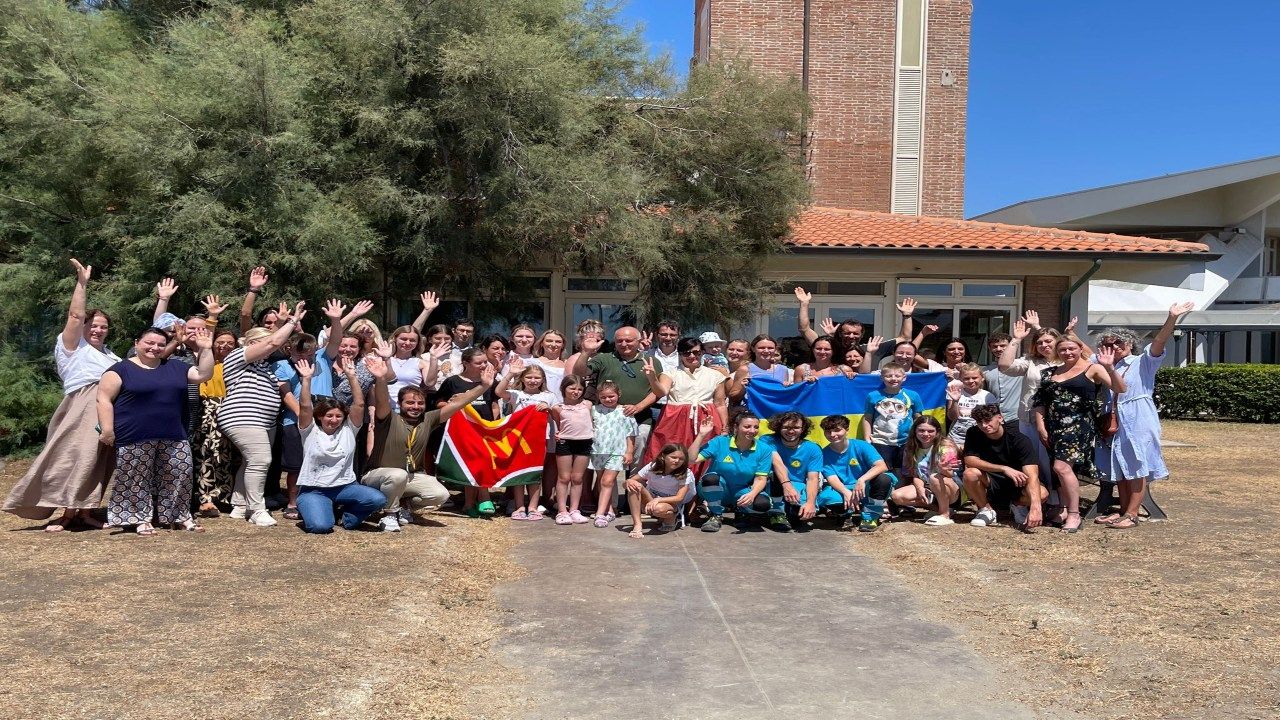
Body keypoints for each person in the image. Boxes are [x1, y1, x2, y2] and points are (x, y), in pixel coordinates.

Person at [4, 260, 120, 530]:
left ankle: (85, 511)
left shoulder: (111, 355)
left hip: (108, 406)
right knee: (75, 456)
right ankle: (67, 512)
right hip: (83, 405)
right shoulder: (73, 346)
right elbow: (75, 316)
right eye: (93, 325)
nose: (98, 330)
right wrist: (82, 284)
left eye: (103, 326)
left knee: (98, 460)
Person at [98, 325, 214, 535]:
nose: (155, 348)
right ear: (136, 344)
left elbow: (203, 374)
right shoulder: (120, 369)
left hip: (173, 432)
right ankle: (138, 519)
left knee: (180, 473)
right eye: (149, 343)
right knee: (135, 477)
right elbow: (103, 399)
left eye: (161, 344)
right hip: (133, 433)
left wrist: (206, 349)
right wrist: (107, 430)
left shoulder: (176, 367)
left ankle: (178, 515)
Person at [364, 354, 496, 530]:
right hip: (377, 476)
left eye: (420, 403)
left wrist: (483, 386)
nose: (415, 407)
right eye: (410, 403)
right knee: (397, 475)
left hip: (410, 476)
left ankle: (405, 507)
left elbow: (457, 405)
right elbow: (382, 400)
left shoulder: (428, 419)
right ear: (400, 404)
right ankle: (389, 514)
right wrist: (381, 378)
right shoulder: (387, 418)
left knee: (440, 494)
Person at [1093, 302, 1193, 529]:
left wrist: (1172, 318)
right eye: (1108, 344)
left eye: (1119, 342)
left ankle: (1132, 514)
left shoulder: (1143, 362)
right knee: (1119, 464)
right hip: (1114, 418)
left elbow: (1159, 341)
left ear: (1130, 344)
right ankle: (1122, 510)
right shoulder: (1104, 364)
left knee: (1137, 463)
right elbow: (1077, 353)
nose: (1114, 347)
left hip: (1138, 417)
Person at [219, 302, 307, 528]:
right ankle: (256, 509)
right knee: (260, 460)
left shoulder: (267, 367)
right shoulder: (238, 356)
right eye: (263, 342)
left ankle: (240, 504)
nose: (270, 348)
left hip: (265, 422)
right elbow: (274, 341)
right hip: (243, 417)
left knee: (250, 461)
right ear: (251, 344)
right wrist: (292, 321)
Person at [274, 299, 360, 521]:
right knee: (296, 465)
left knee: (327, 460)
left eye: (309, 354)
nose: (304, 358)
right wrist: (306, 416)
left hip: (327, 421)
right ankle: (293, 502)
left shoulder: (322, 358)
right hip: (295, 420)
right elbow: (286, 394)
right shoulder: (281, 365)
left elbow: (336, 340)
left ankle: (326, 500)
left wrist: (336, 320)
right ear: (289, 350)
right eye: (299, 355)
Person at [1031, 336, 1126, 533]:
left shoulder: (1093, 368)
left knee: (1062, 467)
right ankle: (1064, 509)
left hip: (1078, 427)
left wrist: (1110, 367)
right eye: (1063, 349)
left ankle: (1074, 514)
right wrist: (1041, 427)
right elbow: (1040, 402)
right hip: (1053, 427)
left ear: (1080, 348)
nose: (1067, 353)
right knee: (1060, 470)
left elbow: (1120, 388)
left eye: (1071, 348)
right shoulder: (1050, 372)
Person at [293, 357, 388, 533]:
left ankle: (346, 518)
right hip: (314, 489)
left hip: (345, 487)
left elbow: (359, 404)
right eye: (329, 416)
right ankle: (312, 506)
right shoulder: (310, 431)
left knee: (378, 499)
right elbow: (305, 406)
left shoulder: (349, 430)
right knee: (321, 526)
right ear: (320, 416)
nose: (334, 420)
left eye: (338, 416)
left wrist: (352, 377)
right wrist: (306, 379)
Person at [572, 326, 659, 461]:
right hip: (607, 420)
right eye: (619, 341)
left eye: (628, 340)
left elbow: (658, 391)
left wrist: (638, 407)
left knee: (636, 460)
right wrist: (586, 352)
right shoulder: (604, 359)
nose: (624, 344)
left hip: (640, 419)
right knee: (608, 462)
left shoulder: (651, 361)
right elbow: (579, 373)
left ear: (638, 341)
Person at [997, 315, 1064, 487]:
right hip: (1028, 419)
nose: (1044, 345)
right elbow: (1004, 366)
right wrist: (1016, 339)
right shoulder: (1031, 361)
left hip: (1057, 420)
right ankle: (1037, 494)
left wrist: (1038, 327)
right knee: (1032, 461)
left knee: (1053, 463)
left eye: (1048, 341)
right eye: (1039, 342)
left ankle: (1056, 498)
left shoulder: (1067, 361)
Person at [434, 347, 501, 516]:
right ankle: (475, 501)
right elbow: (439, 403)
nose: (484, 365)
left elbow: (494, 404)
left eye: (485, 362)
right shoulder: (452, 382)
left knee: (482, 461)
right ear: (466, 363)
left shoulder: (490, 380)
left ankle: (478, 499)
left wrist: (494, 423)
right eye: (479, 363)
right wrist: (451, 405)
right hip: (462, 430)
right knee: (469, 463)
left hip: (484, 428)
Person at [691, 409, 781, 533]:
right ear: (736, 427)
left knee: (763, 505)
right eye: (747, 427)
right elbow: (692, 460)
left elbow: (761, 478)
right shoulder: (720, 442)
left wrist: (752, 494)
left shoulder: (764, 449)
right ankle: (715, 514)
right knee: (711, 478)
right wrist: (701, 435)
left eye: (756, 427)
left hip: (741, 490)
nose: (752, 431)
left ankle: (741, 511)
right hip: (716, 488)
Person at [643, 338, 728, 465]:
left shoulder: (715, 375)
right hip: (676, 419)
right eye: (687, 353)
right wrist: (652, 378)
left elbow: (720, 404)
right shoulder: (670, 373)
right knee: (671, 454)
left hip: (706, 418)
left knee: (705, 456)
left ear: (702, 352)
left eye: (696, 352)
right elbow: (661, 392)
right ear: (680, 354)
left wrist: (725, 427)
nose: (692, 356)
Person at [962, 405, 1046, 531]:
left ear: (1000, 418)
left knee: (1043, 493)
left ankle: (1017, 505)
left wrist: (1036, 507)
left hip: (1017, 482)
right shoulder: (973, 433)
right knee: (970, 473)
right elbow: (969, 460)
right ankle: (986, 510)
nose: (984, 425)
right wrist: (1004, 468)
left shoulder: (1019, 439)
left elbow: (1032, 475)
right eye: (980, 422)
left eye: (988, 420)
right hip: (990, 479)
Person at [495, 360, 556, 521]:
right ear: (522, 378)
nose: (533, 380)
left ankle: (533, 507)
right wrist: (510, 373)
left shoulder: (549, 396)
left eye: (537, 378)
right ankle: (520, 506)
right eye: (529, 377)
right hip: (519, 440)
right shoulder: (517, 395)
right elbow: (499, 391)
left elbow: (558, 414)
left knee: (535, 473)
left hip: (539, 441)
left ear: (543, 380)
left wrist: (549, 408)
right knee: (519, 473)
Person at [818, 414, 895, 532]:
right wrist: (846, 492)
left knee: (884, 479)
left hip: (865, 487)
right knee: (827, 498)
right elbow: (832, 478)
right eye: (828, 431)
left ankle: (870, 516)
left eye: (837, 430)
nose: (833, 435)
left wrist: (862, 479)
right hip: (843, 488)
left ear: (847, 430)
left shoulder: (862, 445)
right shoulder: (824, 454)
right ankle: (844, 514)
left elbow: (881, 466)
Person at [193, 328, 239, 516]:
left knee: (226, 456)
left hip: (232, 410)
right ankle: (206, 498)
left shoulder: (238, 364)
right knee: (206, 454)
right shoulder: (205, 361)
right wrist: (212, 318)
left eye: (230, 343)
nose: (225, 346)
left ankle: (224, 496)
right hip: (208, 409)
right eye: (220, 342)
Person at [891, 416, 961, 526]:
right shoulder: (911, 448)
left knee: (934, 477)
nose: (925, 434)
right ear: (915, 431)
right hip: (928, 487)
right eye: (921, 430)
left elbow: (950, 474)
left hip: (951, 488)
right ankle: (936, 508)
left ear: (937, 432)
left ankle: (945, 514)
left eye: (930, 431)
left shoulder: (946, 446)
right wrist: (920, 490)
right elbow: (916, 475)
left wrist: (942, 469)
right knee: (897, 496)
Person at [759, 411, 823, 532]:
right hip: (775, 483)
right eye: (786, 427)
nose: (791, 431)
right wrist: (787, 485)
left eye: (796, 427)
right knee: (774, 475)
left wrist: (810, 503)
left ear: (803, 429)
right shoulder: (767, 440)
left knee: (797, 517)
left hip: (798, 486)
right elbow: (777, 463)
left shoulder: (813, 448)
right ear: (779, 427)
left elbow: (813, 478)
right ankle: (776, 512)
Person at [624, 437, 697, 539]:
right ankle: (637, 525)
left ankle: (672, 517)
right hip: (651, 499)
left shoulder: (685, 473)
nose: (677, 461)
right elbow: (628, 483)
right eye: (673, 457)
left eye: (681, 459)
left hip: (672, 503)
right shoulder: (652, 466)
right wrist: (627, 481)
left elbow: (679, 498)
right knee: (634, 485)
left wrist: (658, 500)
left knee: (658, 509)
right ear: (663, 456)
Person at [588, 380, 638, 528]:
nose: (608, 399)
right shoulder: (594, 410)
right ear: (598, 396)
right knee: (601, 481)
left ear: (618, 394)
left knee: (607, 481)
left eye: (611, 396)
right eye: (603, 397)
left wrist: (629, 452)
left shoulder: (625, 411)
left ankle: (599, 514)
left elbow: (631, 433)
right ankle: (609, 510)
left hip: (617, 452)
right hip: (598, 451)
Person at [861, 362, 924, 472]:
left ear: (904, 378)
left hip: (905, 441)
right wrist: (867, 438)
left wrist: (916, 437)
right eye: (889, 376)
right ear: (882, 377)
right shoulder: (872, 396)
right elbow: (867, 418)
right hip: (880, 441)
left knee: (903, 472)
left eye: (897, 376)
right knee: (883, 472)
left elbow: (918, 418)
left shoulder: (913, 395)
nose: (893, 379)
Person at [550, 375, 594, 525]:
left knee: (577, 478)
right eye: (572, 388)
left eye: (580, 389)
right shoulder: (558, 407)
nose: (576, 392)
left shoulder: (588, 405)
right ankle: (562, 511)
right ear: (564, 389)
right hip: (565, 442)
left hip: (585, 442)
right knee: (564, 477)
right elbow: (558, 423)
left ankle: (574, 510)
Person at [386, 325, 438, 412]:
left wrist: (434, 358)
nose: (407, 343)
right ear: (395, 339)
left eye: (412, 340)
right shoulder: (385, 360)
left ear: (418, 343)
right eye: (403, 339)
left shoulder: (422, 363)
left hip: (409, 409)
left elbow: (430, 383)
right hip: (385, 408)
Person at [947, 363, 994, 449]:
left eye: (974, 378)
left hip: (979, 438)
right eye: (966, 378)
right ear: (961, 379)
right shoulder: (955, 392)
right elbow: (952, 418)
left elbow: (992, 420)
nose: (971, 381)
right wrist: (955, 401)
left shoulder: (988, 396)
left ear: (982, 378)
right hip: (956, 439)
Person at [981, 332, 1021, 424]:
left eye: (1003, 346)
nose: (998, 349)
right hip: (994, 417)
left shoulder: (1021, 366)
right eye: (995, 346)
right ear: (989, 348)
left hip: (1017, 417)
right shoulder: (985, 370)